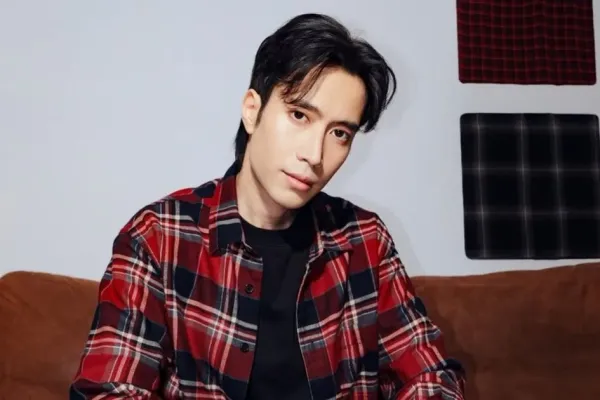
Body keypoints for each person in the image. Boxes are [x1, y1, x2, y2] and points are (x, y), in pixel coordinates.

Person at [70, 12, 465, 399]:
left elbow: (432, 376)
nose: (314, 154)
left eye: (339, 133)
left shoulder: (365, 240)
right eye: (299, 115)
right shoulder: (160, 237)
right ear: (252, 111)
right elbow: (109, 391)